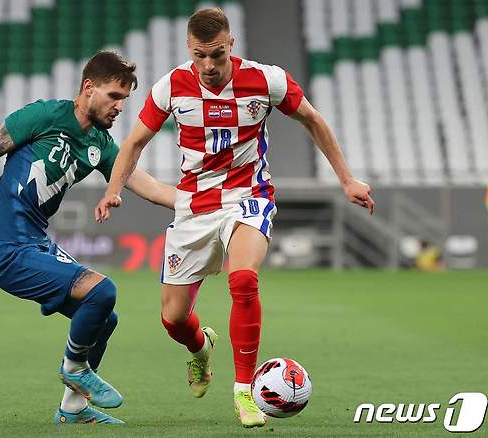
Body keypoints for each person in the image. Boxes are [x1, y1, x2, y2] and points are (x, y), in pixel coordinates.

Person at [95, 8, 374, 428]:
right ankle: (200, 350)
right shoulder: (171, 87)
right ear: (190, 49)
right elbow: (134, 142)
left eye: (218, 54)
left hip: (249, 196)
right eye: (200, 55)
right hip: (194, 206)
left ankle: (244, 392)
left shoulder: (266, 80)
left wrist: (347, 179)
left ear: (232, 45)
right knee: (172, 319)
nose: (208, 65)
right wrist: (114, 189)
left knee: (242, 279)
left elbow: (313, 121)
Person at [0, 51, 175, 425]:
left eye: (124, 100)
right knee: (103, 291)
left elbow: (145, 184)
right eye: (114, 96)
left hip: (36, 244)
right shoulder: (43, 116)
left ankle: (73, 408)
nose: (119, 107)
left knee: (104, 317)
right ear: (89, 88)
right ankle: (74, 368)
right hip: (8, 250)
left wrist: (200, 203)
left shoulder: (100, 144)